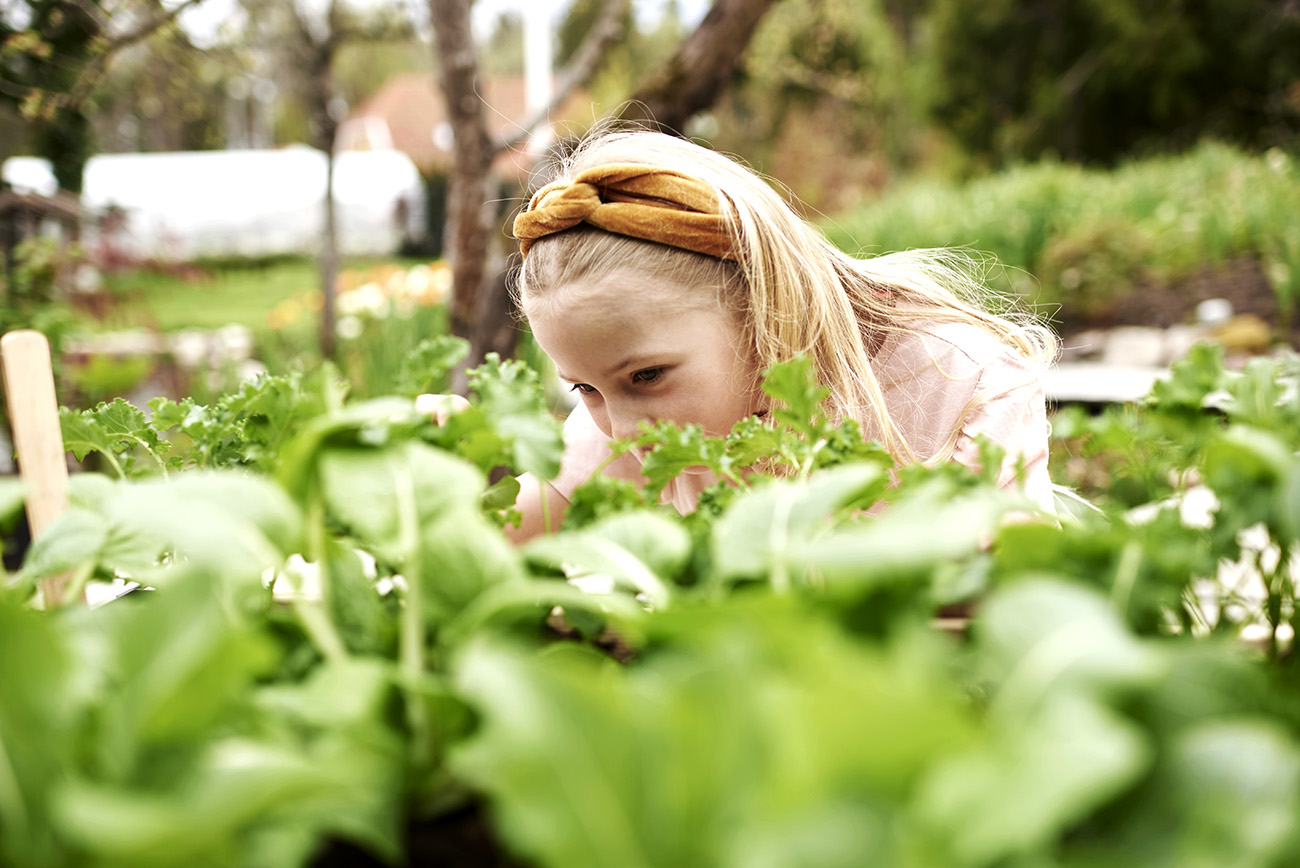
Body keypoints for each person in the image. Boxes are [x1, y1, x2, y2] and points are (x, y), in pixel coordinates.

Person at [499, 127, 1058, 542]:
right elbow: (518, 528)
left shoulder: (960, 381)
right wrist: (439, 473)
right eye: (583, 390)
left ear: (761, 309)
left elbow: (1010, 607)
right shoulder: (629, 399)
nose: (620, 430)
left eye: (647, 376)